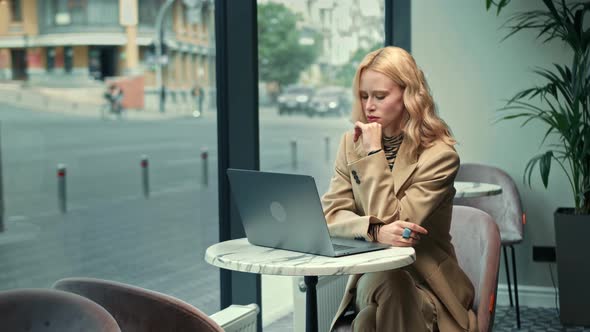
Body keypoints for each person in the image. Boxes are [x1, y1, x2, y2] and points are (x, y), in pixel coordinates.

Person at [322, 46, 477, 332]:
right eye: (364, 96)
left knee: (368, 321)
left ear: (408, 96)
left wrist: (373, 155)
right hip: (373, 276)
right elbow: (330, 215)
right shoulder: (350, 144)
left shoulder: (440, 155)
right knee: (389, 281)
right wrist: (374, 231)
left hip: (427, 280)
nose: (369, 105)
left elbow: (397, 223)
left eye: (380, 96)